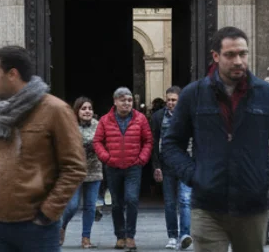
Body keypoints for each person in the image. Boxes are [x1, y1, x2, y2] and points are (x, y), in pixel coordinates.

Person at [162, 27, 269, 252]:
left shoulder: (268, 94)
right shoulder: (193, 95)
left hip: (252, 206)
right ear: (216, 56)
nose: (238, 61)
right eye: (230, 55)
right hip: (207, 206)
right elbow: (171, 144)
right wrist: (194, 175)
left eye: (243, 54)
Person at [0, 45, 86, 252]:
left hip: (35, 226)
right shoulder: (0, 111)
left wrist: (47, 213)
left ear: (12, 74)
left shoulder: (55, 110)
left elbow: (74, 167)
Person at [94, 88, 153, 252]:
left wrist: (142, 159)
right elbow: (97, 141)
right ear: (115, 101)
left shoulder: (140, 119)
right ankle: (120, 236)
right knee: (116, 203)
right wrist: (106, 158)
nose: (126, 103)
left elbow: (148, 141)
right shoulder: (105, 120)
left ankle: (130, 236)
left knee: (132, 199)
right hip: (112, 167)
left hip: (133, 167)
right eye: (122, 100)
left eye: (129, 100)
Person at [151, 87, 192, 251]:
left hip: (185, 164)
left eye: (173, 100)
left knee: (185, 200)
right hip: (166, 164)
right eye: (168, 99)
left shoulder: (188, 116)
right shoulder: (158, 117)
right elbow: (154, 143)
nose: (170, 103)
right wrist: (156, 166)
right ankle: (172, 236)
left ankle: (185, 235)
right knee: (169, 203)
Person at [62, 97, 103, 249]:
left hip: (94, 170)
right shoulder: (70, 126)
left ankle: (86, 237)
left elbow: (102, 143)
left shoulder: (98, 126)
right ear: (77, 111)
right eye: (84, 108)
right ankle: (62, 226)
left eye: (89, 109)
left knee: (90, 206)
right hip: (75, 171)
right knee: (72, 205)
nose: (87, 111)